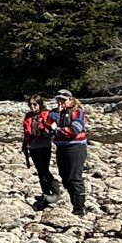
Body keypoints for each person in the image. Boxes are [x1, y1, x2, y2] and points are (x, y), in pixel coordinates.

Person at [49, 89, 89, 217]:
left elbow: (73, 130)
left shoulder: (78, 112)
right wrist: (53, 122)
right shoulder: (54, 113)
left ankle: (79, 208)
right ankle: (74, 202)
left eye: (63, 100)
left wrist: (56, 129)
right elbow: (46, 126)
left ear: (70, 100)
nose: (61, 102)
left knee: (75, 177)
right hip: (61, 147)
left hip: (76, 147)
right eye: (59, 100)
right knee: (64, 177)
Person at [21, 94, 59, 207]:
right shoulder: (28, 116)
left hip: (44, 145)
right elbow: (26, 133)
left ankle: (55, 192)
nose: (32, 107)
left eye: (35, 104)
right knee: (39, 171)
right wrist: (25, 145)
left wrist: (42, 133)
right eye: (30, 104)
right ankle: (45, 193)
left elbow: (53, 131)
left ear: (40, 104)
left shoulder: (46, 114)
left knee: (44, 170)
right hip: (33, 146)